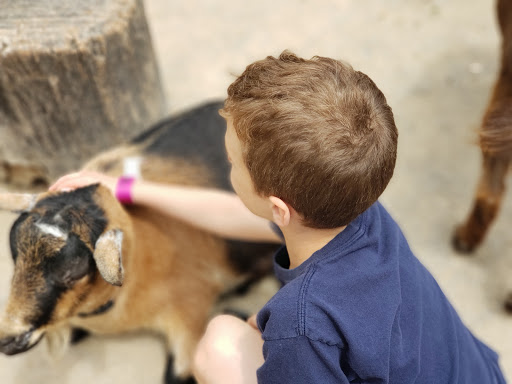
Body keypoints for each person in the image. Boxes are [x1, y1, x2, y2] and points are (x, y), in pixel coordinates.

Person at [50, 51, 507, 384]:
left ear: (279, 209)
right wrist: (130, 188)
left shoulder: (302, 325)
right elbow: (234, 216)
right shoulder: (360, 212)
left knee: (221, 342)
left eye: (230, 161)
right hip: (476, 372)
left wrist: (282, 333)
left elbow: (300, 334)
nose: (226, 168)